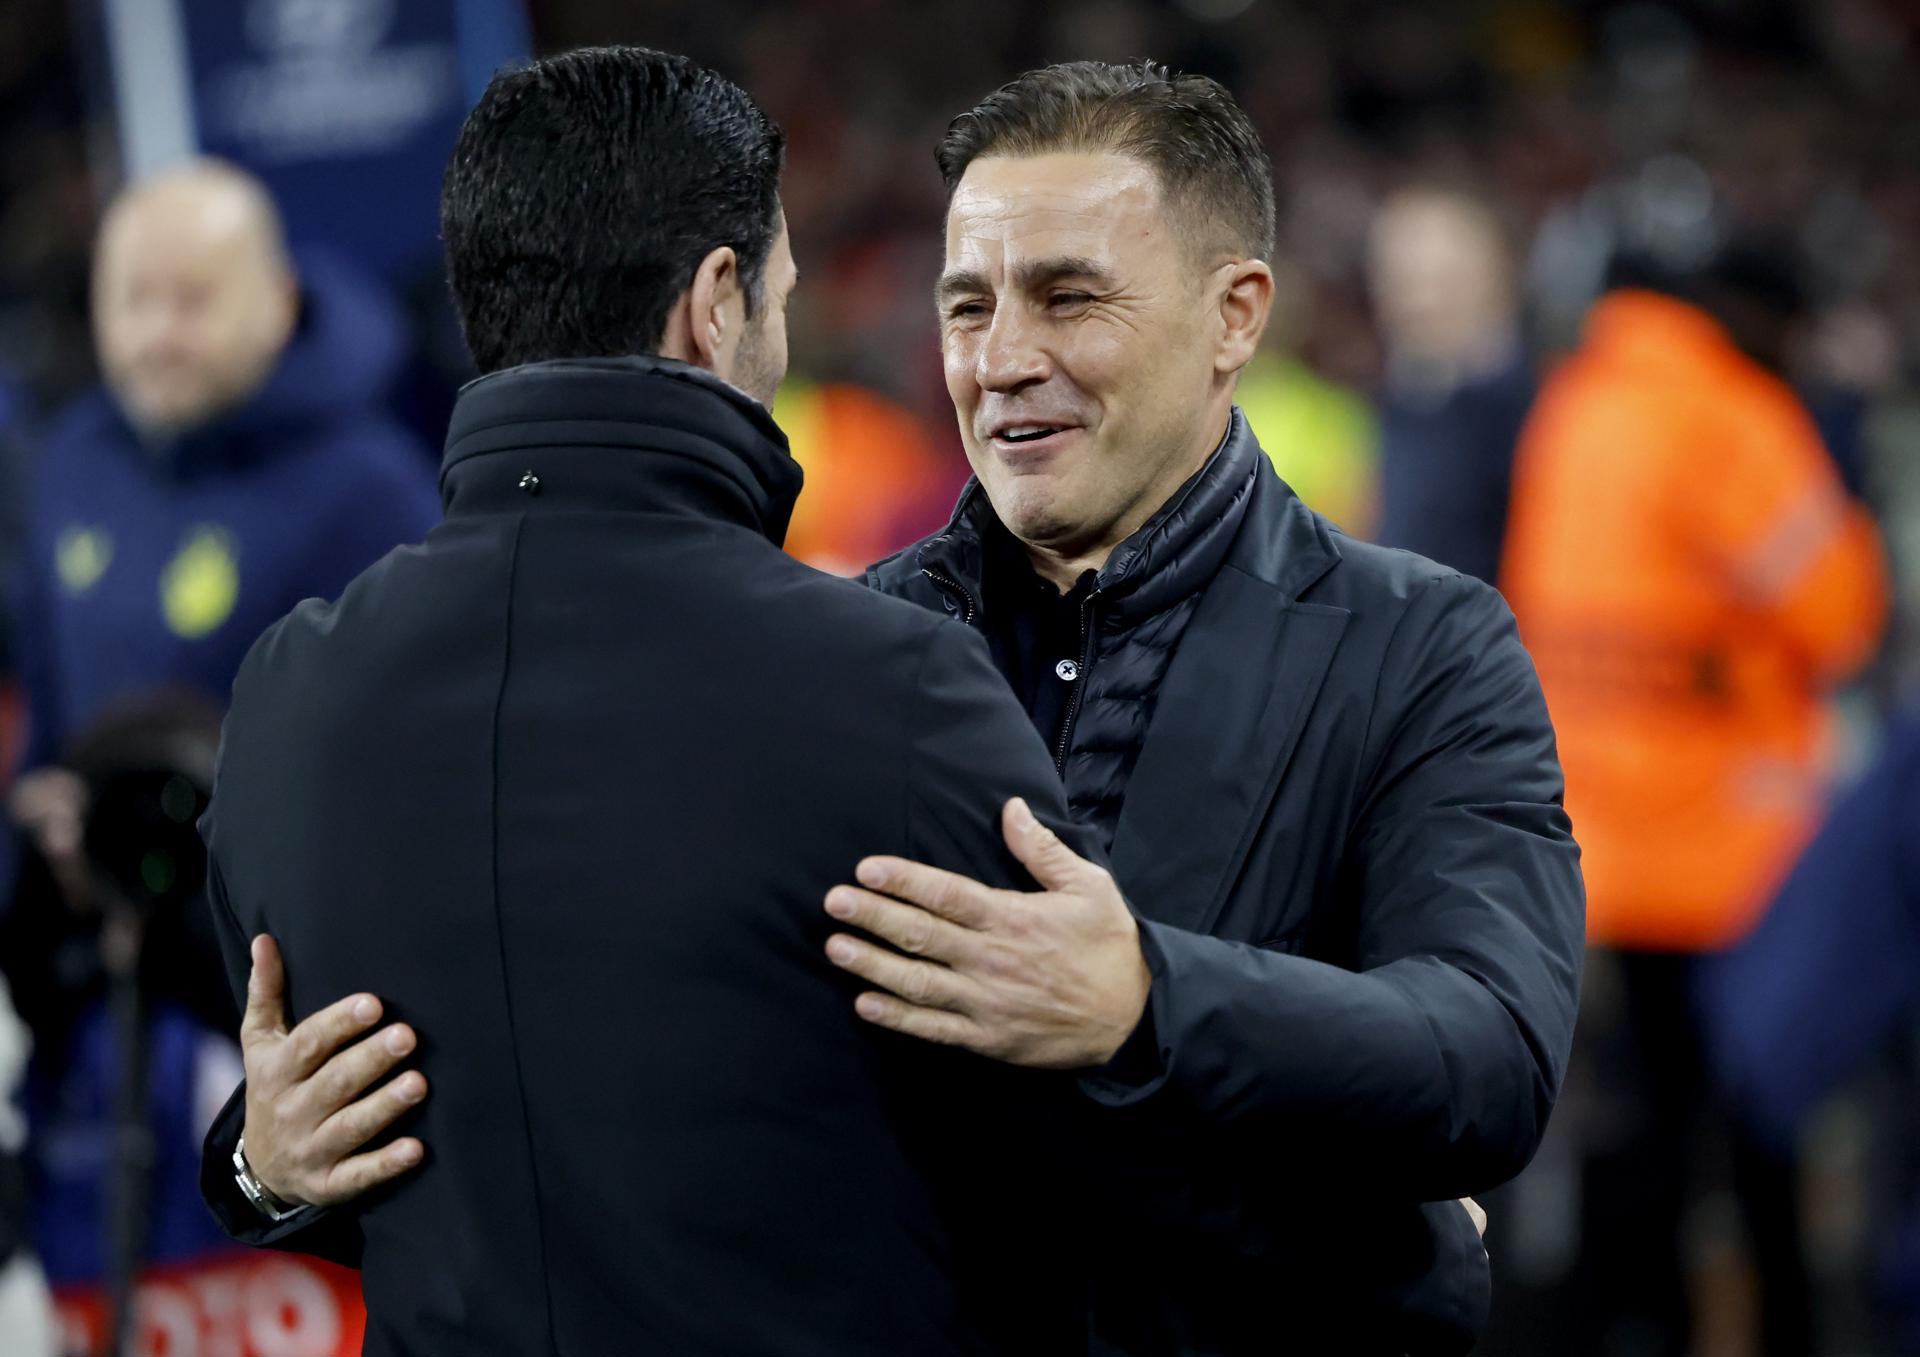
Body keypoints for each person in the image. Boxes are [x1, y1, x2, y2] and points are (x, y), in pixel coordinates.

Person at [208, 60, 1585, 1355]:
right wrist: (259, 1161)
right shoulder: (845, 665)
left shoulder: (1425, 647)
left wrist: (1152, 1001)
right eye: (968, 304)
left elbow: (1488, 1050)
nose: (1001, 359)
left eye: (1069, 297)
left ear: (1236, 312)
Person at [196, 47, 1102, 1355]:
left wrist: (252, 1174)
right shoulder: (896, 688)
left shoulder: (288, 691)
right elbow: (1059, 1155)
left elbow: (331, 1147)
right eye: (778, 294)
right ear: (715, 302)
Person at [1501, 242, 1890, 1355]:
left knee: (1648, 1132)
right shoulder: (1737, 417)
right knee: (1764, 1133)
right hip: (1739, 851)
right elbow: (1843, 612)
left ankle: (1646, 1329)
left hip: (1609, 847)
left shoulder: (1572, 409)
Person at [9, 160, 439, 902]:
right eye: (132, 300)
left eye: (192, 301)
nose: (156, 336)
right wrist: (37, 812)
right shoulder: (73, 463)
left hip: (298, 957)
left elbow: (426, 759)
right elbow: (46, 719)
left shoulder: (373, 491)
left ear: (278, 300)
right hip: (109, 957)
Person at [1366, 185, 1535, 587]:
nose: (1419, 303)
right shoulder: (1397, 403)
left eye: (1443, 281)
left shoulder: (1539, 414)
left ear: (1497, 277)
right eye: (1400, 280)